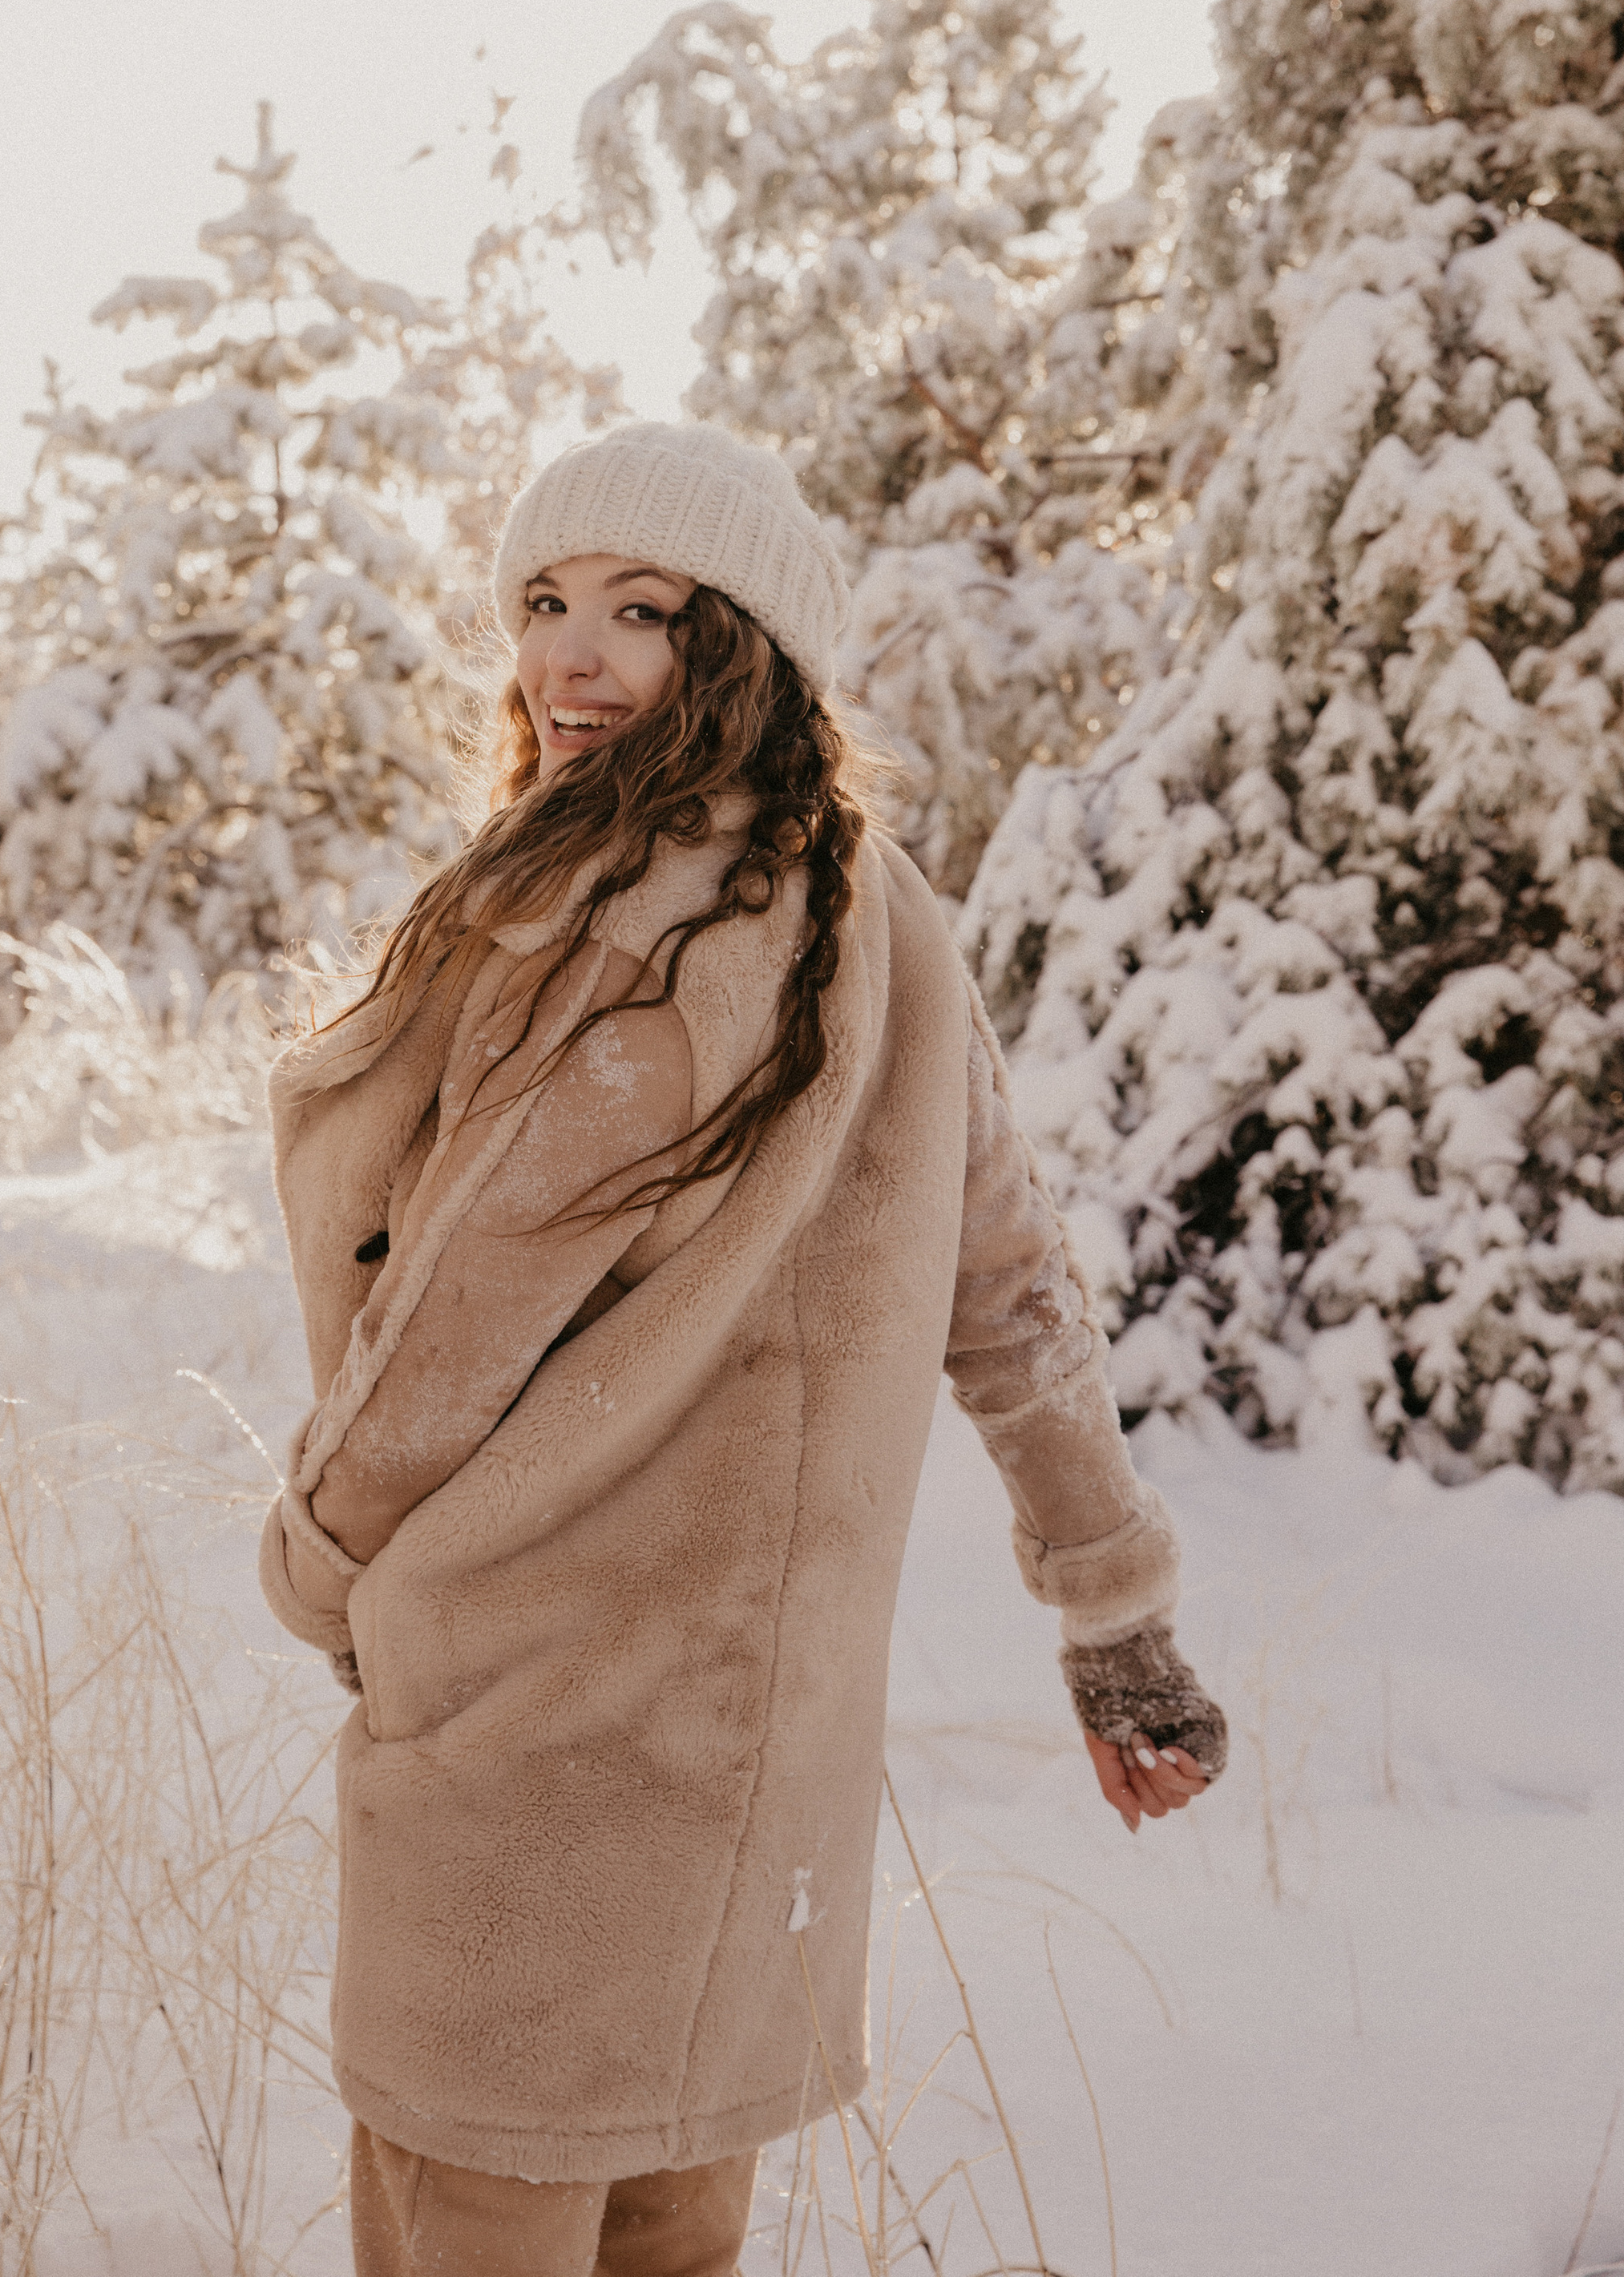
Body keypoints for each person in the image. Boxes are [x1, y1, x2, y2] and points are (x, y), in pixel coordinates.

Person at [259, 420, 1226, 2277]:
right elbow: (1012, 1291)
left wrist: (317, 1567)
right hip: (742, 1764)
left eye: (640, 609)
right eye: (542, 603)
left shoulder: (634, 929)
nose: (568, 656)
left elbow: (462, 1309)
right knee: (667, 2226)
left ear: (745, 648)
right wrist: (1116, 1610)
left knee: (473, 2210)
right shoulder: (877, 909)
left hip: (540, 1727)